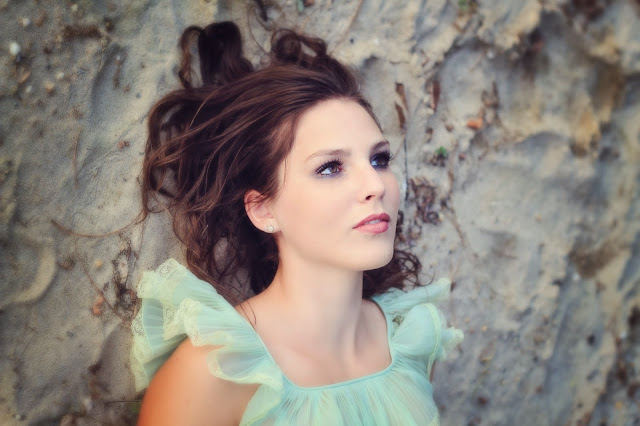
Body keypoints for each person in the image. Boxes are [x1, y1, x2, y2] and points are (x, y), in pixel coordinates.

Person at [130, 21, 463, 425]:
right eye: (330, 167)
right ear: (263, 210)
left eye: (379, 159)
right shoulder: (215, 372)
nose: (376, 185)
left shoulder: (410, 339)